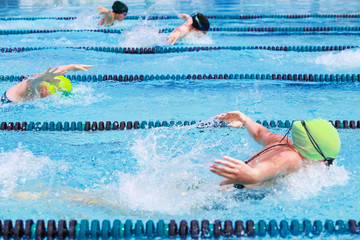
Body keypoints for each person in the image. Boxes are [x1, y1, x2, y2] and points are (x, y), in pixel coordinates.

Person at [210, 111, 341, 189]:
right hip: (235, 193)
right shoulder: (293, 159)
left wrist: (245, 120)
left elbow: (259, 133)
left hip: (226, 185)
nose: (326, 164)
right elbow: (274, 165)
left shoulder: (281, 141)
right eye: (327, 161)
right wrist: (254, 175)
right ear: (316, 156)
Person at [1, 64, 93, 104]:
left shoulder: (45, 84)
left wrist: (71, 67)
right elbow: (32, 81)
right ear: (45, 90)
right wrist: (41, 77)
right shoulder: (38, 86)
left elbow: (58, 70)